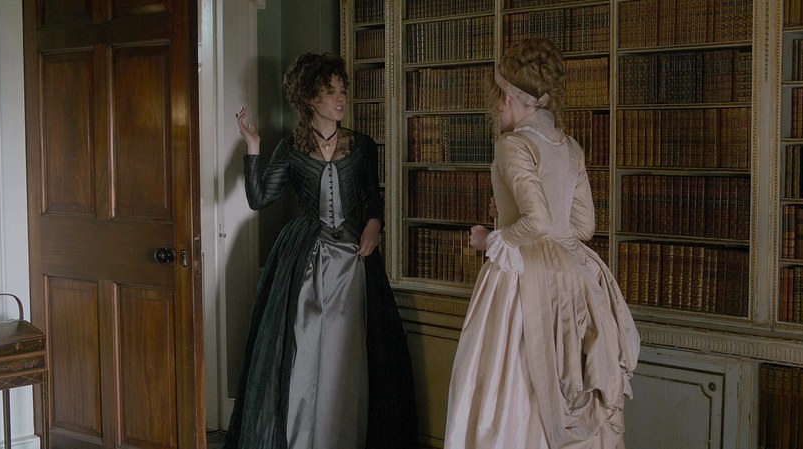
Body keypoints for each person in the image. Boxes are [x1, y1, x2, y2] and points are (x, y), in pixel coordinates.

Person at [444, 37, 640, 449]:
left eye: (497, 100)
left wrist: (491, 238)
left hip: (525, 278)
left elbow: (537, 220)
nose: (495, 110)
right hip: (575, 277)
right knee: (565, 380)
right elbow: (583, 226)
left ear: (510, 97)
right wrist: (510, 215)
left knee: (513, 381)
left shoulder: (513, 143)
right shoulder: (569, 146)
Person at [223, 52, 418, 449]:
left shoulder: (361, 146)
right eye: (331, 92)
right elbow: (259, 199)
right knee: (305, 345)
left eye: (342, 91)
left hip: (354, 261)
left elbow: (372, 197)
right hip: (305, 260)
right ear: (310, 99)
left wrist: (374, 226)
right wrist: (253, 145)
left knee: (351, 350)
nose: (340, 99)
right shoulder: (290, 148)